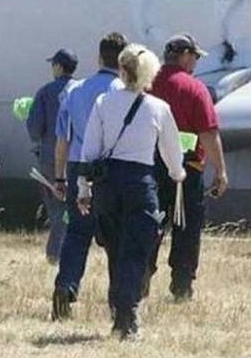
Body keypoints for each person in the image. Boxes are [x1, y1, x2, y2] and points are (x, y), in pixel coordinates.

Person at [79, 44, 185, 339]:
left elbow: (90, 151)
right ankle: (129, 312)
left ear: (122, 71)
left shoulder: (103, 102)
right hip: (140, 182)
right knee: (137, 249)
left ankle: (119, 311)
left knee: (114, 248)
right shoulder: (158, 108)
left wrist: (83, 188)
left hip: (107, 184)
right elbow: (172, 153)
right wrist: (178, 174)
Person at [51, 32, 128, 320]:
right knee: (116, 237)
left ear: (99, 57)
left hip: (78, 165)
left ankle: (66, 285)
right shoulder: (126, 91)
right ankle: (118, 300)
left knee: (77, 233)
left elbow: (63, 139)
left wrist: (60, 177)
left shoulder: (75, 90)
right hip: (114, 169)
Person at [147, 34, 229, 301]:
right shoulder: (195, 89)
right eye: (194, 57)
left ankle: (140, 277)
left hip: (150, 168)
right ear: (184, 55)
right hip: (187, 169)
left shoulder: (146, 85)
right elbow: (208, 132)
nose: (195, 62)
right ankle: (182, 285)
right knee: (186, 227)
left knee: (149, 223)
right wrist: (220, 171)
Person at [26, 48, 78, 264]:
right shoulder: (81, 90)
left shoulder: (46, 92)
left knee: (56, 206)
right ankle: (73, 249)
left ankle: (56, 253)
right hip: (79, 157)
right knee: (76, 205)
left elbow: (34, 130)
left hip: (50, 156)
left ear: (58, 67)